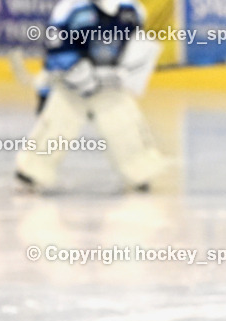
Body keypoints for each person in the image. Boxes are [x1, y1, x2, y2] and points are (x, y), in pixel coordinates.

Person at [15, 0, 164, 192]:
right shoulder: (70, 9)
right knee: (58, 125)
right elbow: (55, 47)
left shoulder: (132, 10)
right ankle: (32, 170)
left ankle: (139, 170)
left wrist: (125, 73)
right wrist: (69, 74)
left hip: (109, 88)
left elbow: (136, 46)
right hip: (71, 87)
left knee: (124, 125)